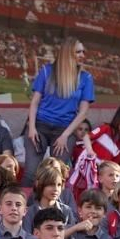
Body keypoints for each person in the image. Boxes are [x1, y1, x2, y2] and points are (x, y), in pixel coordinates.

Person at [24, 39, 93, 168]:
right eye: (78, 52)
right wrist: (32, 128)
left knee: (57, 173)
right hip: (40, 125)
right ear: (67, 53)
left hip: (65, 128)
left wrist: (65, 135)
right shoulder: (46, 70)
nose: (83, 55)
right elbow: (34, 102)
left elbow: (83, 112)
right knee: (31, 172)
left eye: (83, 52)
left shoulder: (86, 78)